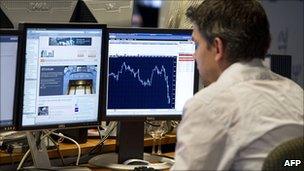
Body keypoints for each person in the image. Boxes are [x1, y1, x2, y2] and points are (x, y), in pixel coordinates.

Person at [171, 0, 304, 170]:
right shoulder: (296, 93)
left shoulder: (209, 105)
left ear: (218, 48)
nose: (195, 56)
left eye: (197, 45)